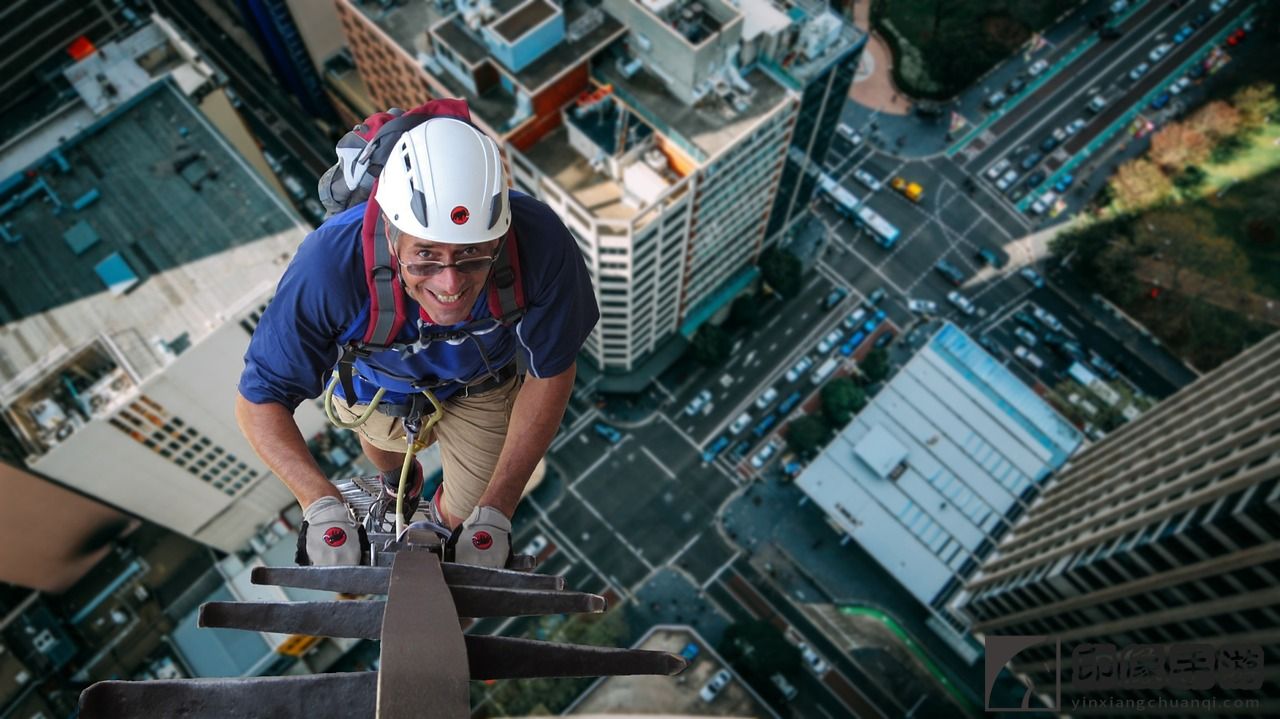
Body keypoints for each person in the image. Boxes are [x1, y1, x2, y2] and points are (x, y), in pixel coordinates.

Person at [235, 116, 598, 568]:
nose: (450, 284)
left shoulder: (539, 242)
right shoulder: (330, 265)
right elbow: (260, 398)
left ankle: (438, 530)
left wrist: (497, 510)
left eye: (472, 254)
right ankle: (396, 486)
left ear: (500, 237)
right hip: (379, 382)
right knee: (380, 437)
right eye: (426, 255)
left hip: (481, 382)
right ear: (391, 235)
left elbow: (552, 371)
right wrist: (320, 503)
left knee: (471, 510)